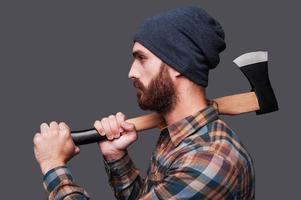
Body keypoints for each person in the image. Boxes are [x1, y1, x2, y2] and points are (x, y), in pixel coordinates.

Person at [33, 6, 255, 200]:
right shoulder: (178, 136)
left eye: (142, 58)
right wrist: (116, 156)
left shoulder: (210, 159)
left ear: (179, 63)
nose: (131, 72)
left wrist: (53, 165)